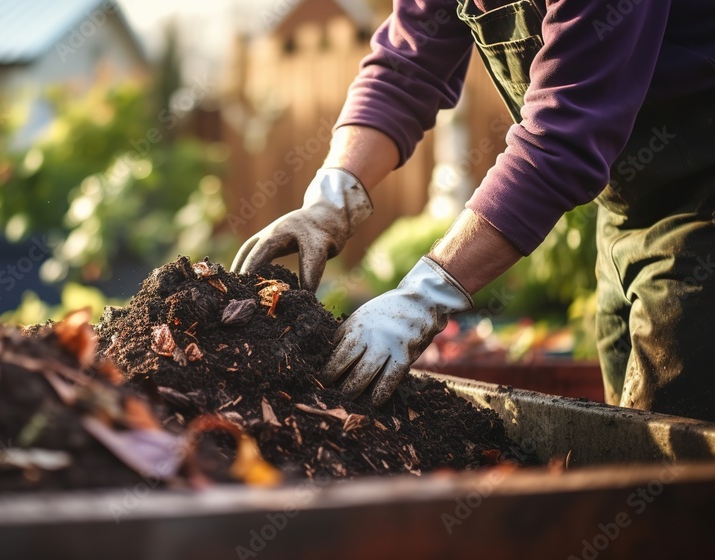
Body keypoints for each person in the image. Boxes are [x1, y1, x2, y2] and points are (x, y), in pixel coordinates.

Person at [231, 0, 715, 422]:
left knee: (674, 453)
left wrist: (424, 296)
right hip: (627, 209)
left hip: (702, 202)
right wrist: (328, 202)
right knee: (630, 444)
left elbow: (564, 135)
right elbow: (405, 68)